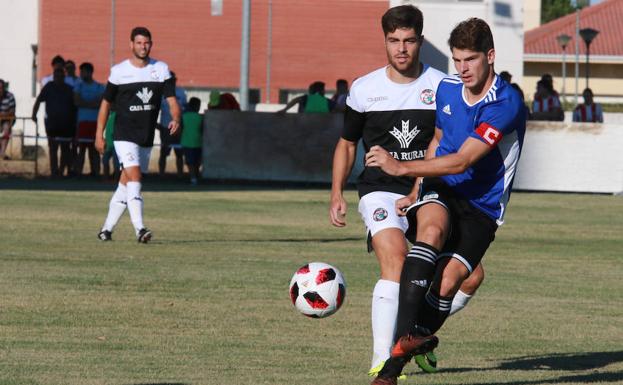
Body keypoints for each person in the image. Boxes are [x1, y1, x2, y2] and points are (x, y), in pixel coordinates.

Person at [366, 17, 526, 385]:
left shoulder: (506, 102)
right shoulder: (448, 89)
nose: (462, 68)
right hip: (443, 187)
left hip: (483, 207)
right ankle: (393, 364)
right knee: (432, 229)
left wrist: (401, 167)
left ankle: (399, 357)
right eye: (457, 60)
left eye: (470, 59)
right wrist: (417, 187)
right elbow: (438, 141)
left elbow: (464, 159)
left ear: (490, 56)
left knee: (448, 281)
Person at [329, 5, 483, 378]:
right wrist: (336, 193)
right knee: (396, 261)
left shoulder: (443, 86)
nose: (401, 48)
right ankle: (382, 360)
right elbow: (347, 144)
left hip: (428, 188)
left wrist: (419, 185)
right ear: (385, 41)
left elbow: (445, 140)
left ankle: (419, 333)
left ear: (420, 41)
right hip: (379, 189)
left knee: (471, 275)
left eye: (409, 40)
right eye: (394, 40)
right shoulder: (364, 89)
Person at [95, 26, 180, 243]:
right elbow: (105, 103)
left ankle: (106, 230)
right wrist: (100, 134)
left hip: (146, 135)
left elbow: (172, 100)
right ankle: (140, 229)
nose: (143, 46)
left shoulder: (161, 69)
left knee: (125, 183)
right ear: (131, 44)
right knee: (135, 176)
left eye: (147, 43)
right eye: (139, 43)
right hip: (123, 134)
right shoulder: (119, 71)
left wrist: (176, 118)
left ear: (151, 44)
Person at [32, 67, 76, 177]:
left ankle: (62, 171)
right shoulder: (49, 87)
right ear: (54, 76)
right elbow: (38, 100)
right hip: (52, 124)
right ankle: (54, 171)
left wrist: (75, 122)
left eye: (61, 76)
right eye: (56, 76)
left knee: (65, 149)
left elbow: (75, 107)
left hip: (67, 124)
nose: (59, 78)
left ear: (64, 77)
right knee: (53, 148)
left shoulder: (69, 89)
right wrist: (34, 114)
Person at [73, 62, 105, 176]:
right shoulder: (78, 86)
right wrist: (92, 103)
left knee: (94, 150)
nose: (81, 74)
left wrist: (85, 103)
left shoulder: (99, 87)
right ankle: (78, 173)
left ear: (90, 72)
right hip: (82, 122)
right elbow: (77, 102)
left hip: (95, 122)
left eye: (83, 72)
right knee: (81, 150)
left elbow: (100, 103)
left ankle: (95, 173)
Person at [181, 97, 203, 185]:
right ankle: (195, 178)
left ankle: (193, 178)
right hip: (198, 143)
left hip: (186, 143)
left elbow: (181, 129)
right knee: (197, 162)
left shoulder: (184, 116)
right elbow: (202, 130)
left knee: (190, 163)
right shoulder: (200, 117)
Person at [101, 108, 120, 180]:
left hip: (116, 144)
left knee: (116, 163)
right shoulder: (108, 115)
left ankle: (116, 179)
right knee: (105, 160)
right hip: (108, 143)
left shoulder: (117, 114)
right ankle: (106, 178)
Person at [0, 79, 16, 160]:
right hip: (3, 118)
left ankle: (2, 152)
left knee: (6, 128)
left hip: (7, 120)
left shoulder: (10, 96)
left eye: (1, 88)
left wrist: (2, 115)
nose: (0, 90)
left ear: (4, 88)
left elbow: (12, 112)